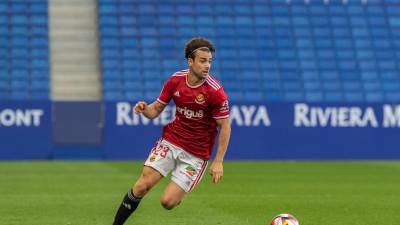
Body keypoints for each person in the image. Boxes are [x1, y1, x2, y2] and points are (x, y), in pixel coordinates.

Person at [112, 37, 231, 225]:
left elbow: (225, 125)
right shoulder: (176, 80)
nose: (207, 65)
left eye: (209, 61)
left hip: (196, 154)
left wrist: (218, 161)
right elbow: (155, 110)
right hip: (171, 141)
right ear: (190, 61)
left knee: (167, 202)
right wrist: (144, 109)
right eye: (202, 60)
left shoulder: (216, 92)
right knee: (142, 185)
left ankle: (179, 193)